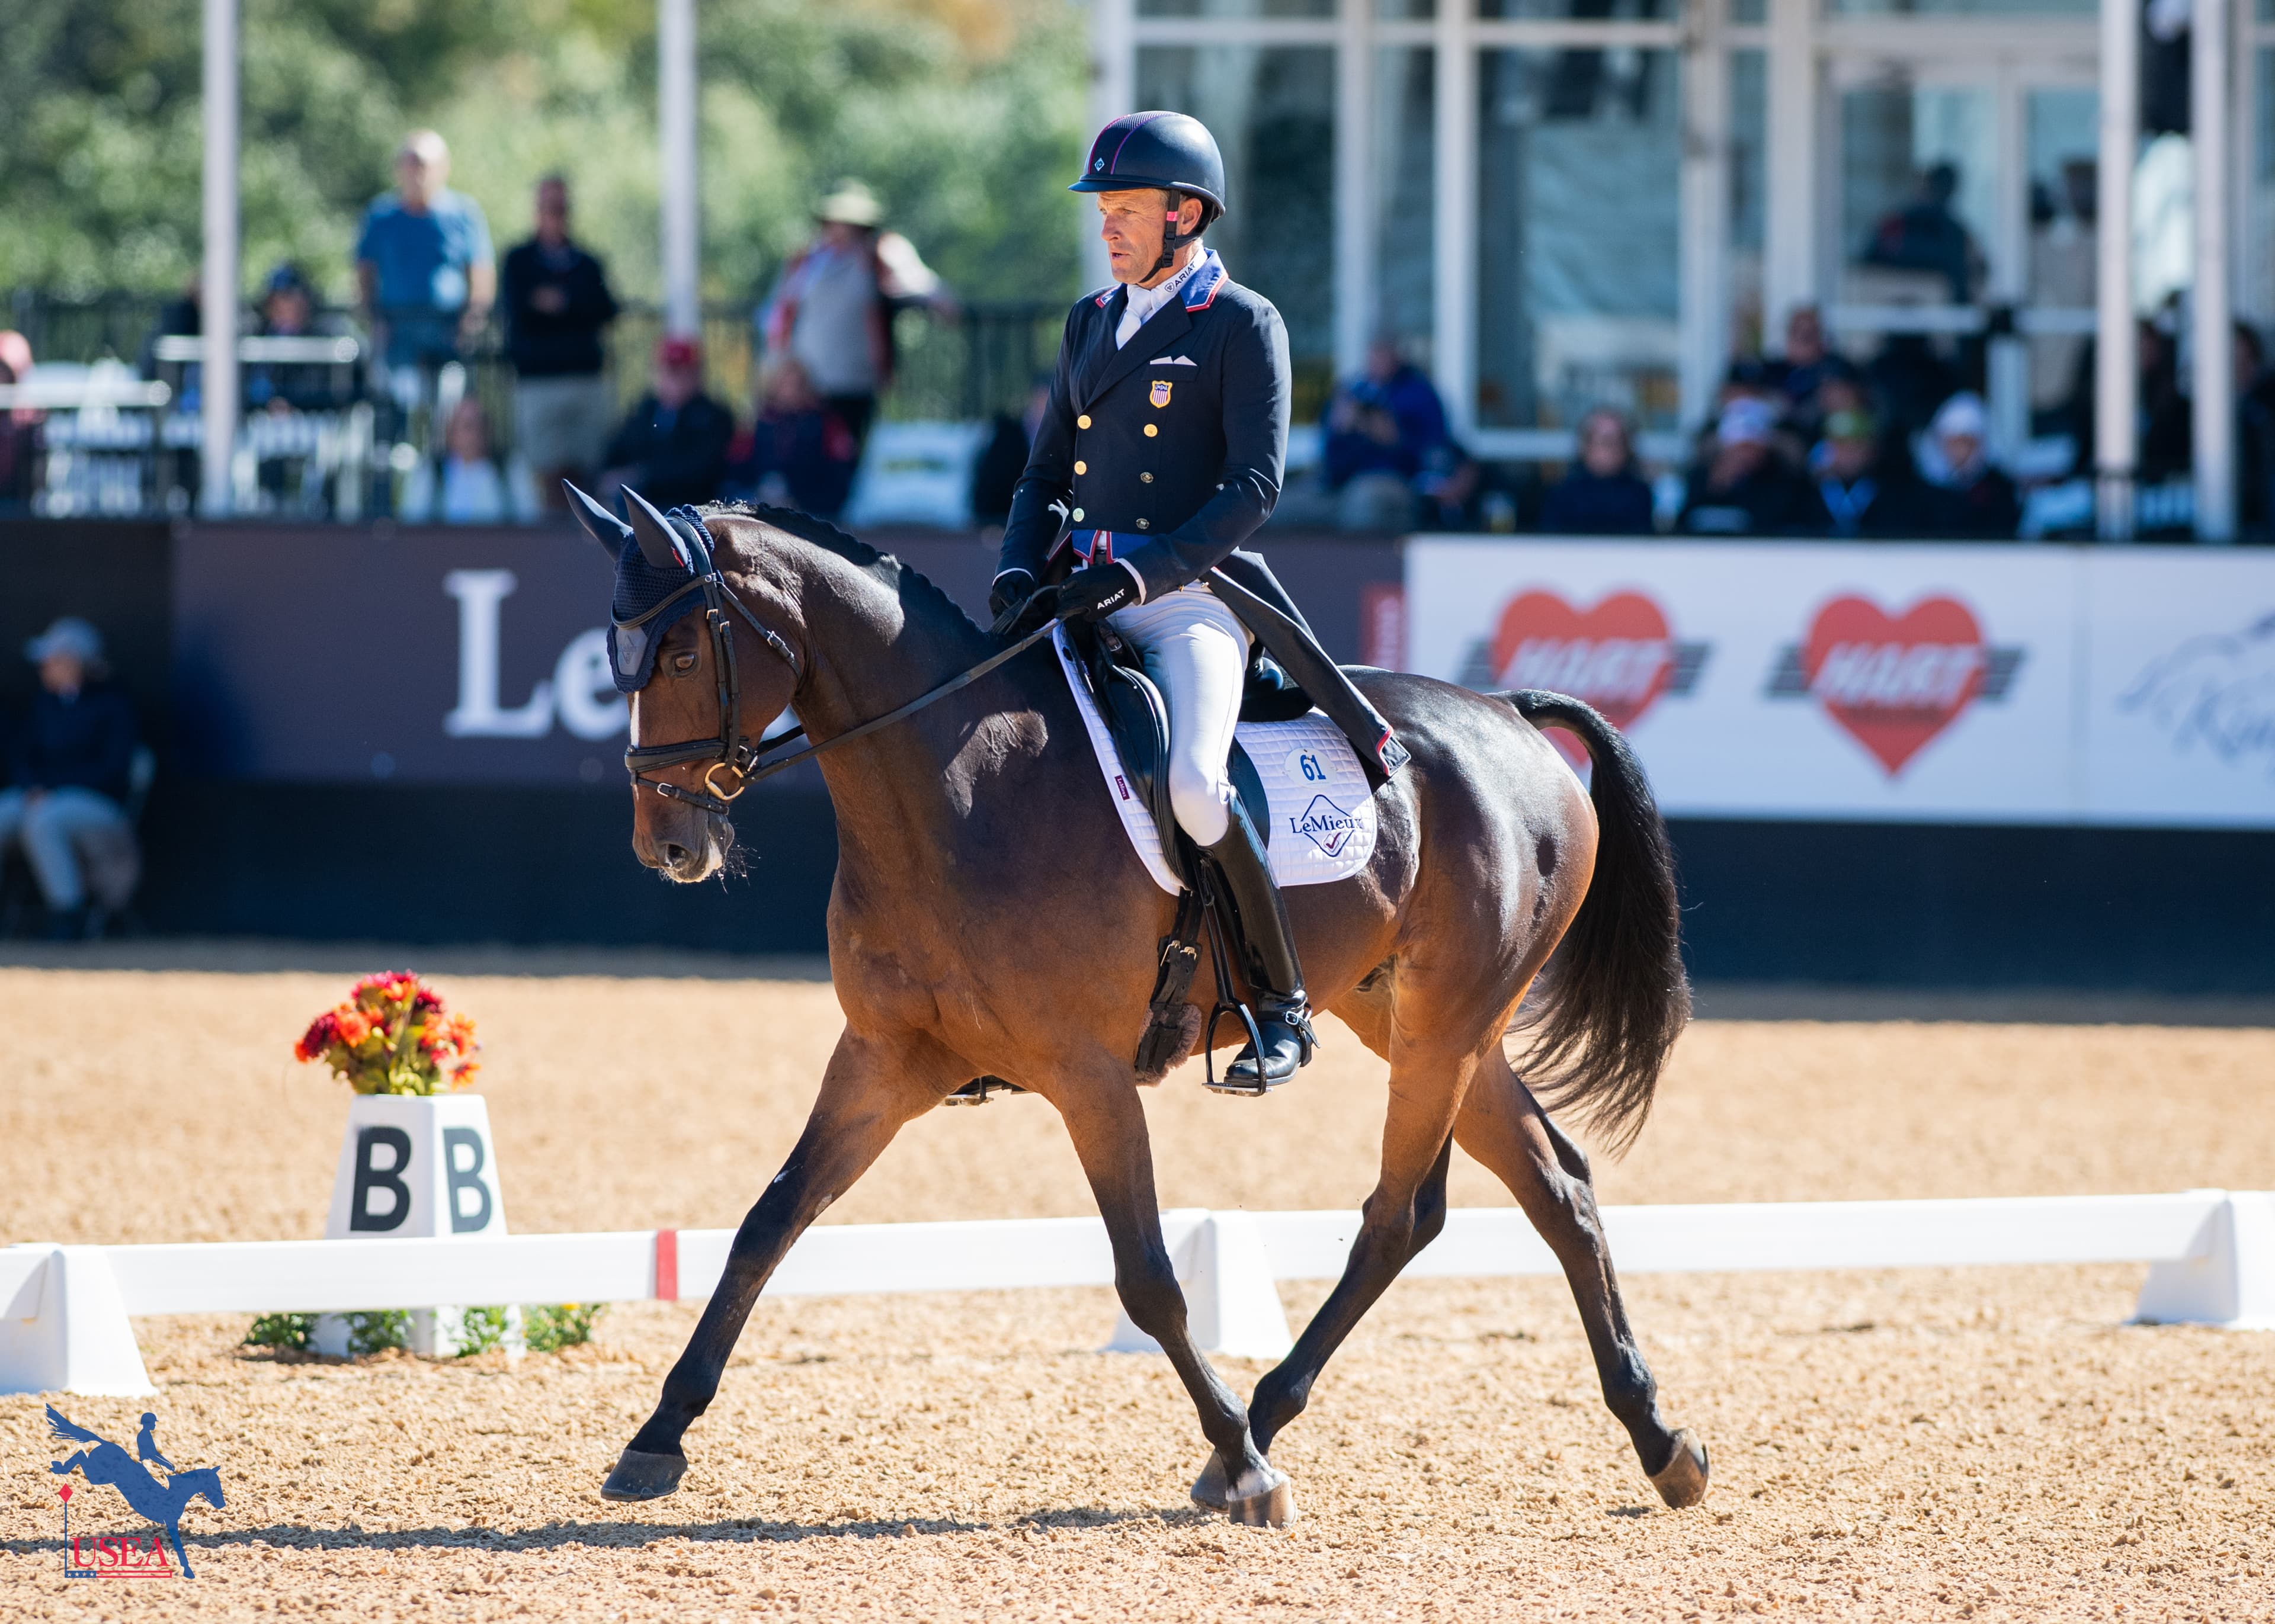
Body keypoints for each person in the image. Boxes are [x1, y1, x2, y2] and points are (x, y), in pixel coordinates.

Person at [989, 111, 1409, 1090]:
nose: (1109, 229)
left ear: (1186, 214)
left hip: (1186, 601)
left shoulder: (1241, 323)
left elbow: (1253, 487)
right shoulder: (1090, 321)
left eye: (1127, 210)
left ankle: (1279, 1005)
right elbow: (1045, 469)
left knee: (1191, 786)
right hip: (1076, 593)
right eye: (1105, 212)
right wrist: (1020, 566)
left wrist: (1142, 574)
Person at [759, 181, 955, 460]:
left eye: (850, 223)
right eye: (836, 222)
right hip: (806, 384)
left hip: (855, 382)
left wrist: (941, 300)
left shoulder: (880, 253)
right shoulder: (807, 260)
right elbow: (778, 311)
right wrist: (778, 366)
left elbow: (919, 282)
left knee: (851, 455)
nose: (841, 230)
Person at [0, 619, 140, 939]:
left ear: (74, 663)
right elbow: (21, 755)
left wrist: (54, 789)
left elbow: (113, 769)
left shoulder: (114, 704)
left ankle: (68, 914)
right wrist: (33, 786)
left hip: (96, 801)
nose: (45, 668)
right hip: (40, 795)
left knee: (44, 820)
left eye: (52, 660)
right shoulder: (43, 703)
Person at [354, 131, 495, 421]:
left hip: (446, 335)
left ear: (443, 167)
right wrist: (374, 320)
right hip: (398, 337)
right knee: (397, 412)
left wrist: (471, 323)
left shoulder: (463, 214)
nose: (418, 172)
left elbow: (480, 272)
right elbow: (364, 273)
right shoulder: (381, 216)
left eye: (424, 164)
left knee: (447, 417)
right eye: (411, 163)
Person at [500, 175, 621, 505]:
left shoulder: (587, 262)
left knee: (590, 472)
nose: (555, 215)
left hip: (585, 381)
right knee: (545, 475)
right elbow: (518, 310)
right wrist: (567, 309)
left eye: (561, 208)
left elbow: (605, 309)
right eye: (548, 208)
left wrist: (562, 304)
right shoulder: (519, 261)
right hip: (539, 382)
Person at [1318, 336, 1451, 531]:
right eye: (1374, 356)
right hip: (1341, 481)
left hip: (1396, 481)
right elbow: (1329, 453)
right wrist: (1341, 430)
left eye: (1383, 355)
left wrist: (1393, 438)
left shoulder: (1419, 395)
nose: (1377, 362)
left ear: (1398, 356)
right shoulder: (1354, 391)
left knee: (1361, 504)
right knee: (1285, 507)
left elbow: (1433, 454)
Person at [600, 337, 735, 511]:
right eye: (669, 372)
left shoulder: (713, 416)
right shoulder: (646, 411)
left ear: (697, 375)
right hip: (643, 503)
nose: (675, 380)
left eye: (683, 372)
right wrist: (610, 476)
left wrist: (643, 476)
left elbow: (699, 470)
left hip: (691, 508)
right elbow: (618, 449)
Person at [720, 357, 862, 520]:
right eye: (785, 385)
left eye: (798, 385)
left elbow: (840, 474)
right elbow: (735, 469)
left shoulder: (827, 423)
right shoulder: (757, 424)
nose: (792, 391)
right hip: (759, 504)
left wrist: (802, 501)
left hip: (812, 511)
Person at [1675, 397, 1805, 535]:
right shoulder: (1700, 478)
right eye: (1739, 447)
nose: (1745, 455)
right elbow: (1681, 525)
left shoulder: (1786, 482)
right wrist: (1717, 488)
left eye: (1751, 447)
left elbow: (1773, 525)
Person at [399, 397, 538, 524]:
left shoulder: (512, 470)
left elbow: (531, 522)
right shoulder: (429, 472)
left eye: (481, 424)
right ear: (450, 432)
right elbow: (412, 522)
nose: (475, 433)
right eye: (467, 426)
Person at [1913, 391, 2018, 538]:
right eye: (1952, 442)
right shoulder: (1925, 492)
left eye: (1966, 442)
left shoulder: (1998, 488)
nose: (1959, 450)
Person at [1540, 408, 1655, 534]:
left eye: (1620, 441)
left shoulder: (1639, 494)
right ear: (1586, 445)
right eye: (1607, 441)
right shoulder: (1563, 494)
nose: (1614, 448)